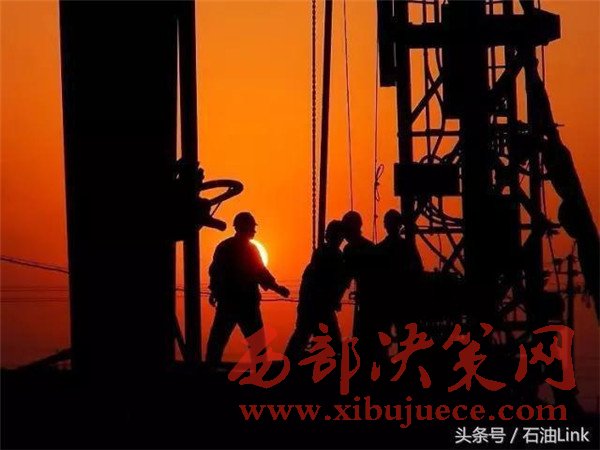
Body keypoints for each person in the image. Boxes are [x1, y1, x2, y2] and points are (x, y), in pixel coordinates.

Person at [206, 212, 290, 365]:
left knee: (217, 342)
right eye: (252, 227)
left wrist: (214, 291)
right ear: (245, 227)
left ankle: (208, 371)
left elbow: (215, 272)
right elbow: (261, 272)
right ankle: (260, 372)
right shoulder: (249, 250)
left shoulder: (224, 247)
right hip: (246, 304)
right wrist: (278, 289)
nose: (254, 230)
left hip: (228, 303)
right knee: (257, 345)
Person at [284, 220, 348, 362]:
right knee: (327, 339)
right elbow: (331, 282)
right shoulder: (330, 256)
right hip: (318, 306)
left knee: (303, 335)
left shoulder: (323, 254)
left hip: (313, 306)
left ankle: (288, 363)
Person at [341, 211, 380, 362]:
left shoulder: (352, 250)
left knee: (367, 338)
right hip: (369, 300)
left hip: (371, 300)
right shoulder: (370, 248)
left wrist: (335, 297)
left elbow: (345, 277)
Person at [376, 209, 424, 335]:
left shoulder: (380, 248)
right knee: (404, 334)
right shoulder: (406, 246)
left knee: (386, 335)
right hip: (402, 299)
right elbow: (418, 268)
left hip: (388, 299)